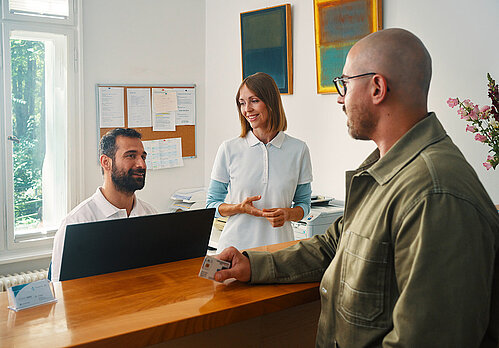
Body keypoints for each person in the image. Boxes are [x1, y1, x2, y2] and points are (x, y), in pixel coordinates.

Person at [214, 28, 499, 347]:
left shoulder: (435, 193)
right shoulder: (383, 170)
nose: (339, 97)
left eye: (345, 84)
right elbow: (331, 246)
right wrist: (253, 264)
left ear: (377, 87)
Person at [206, 72, 313, 252]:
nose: (247, 109)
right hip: (235, 249)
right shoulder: (229, 148)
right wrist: (239, 208)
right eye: (242, 103)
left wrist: (288, 214)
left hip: (280, 251)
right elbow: (212, 205)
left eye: (254, 100)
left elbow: (304, 204)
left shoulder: (298, 150)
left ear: (270, 102)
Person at [50, 128, 157, 282]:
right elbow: (61, 291)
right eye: (131, 156)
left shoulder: (151, 215)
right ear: (106, 162)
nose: (141, 164)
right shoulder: (75, 223)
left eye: (143, 157)